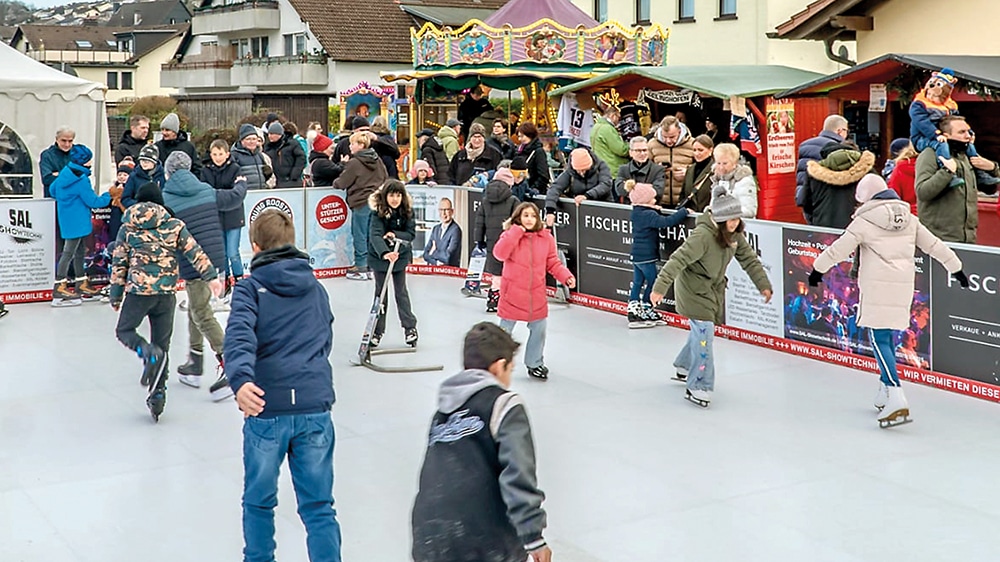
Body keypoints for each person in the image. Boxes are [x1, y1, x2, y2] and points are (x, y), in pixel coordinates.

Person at [224, 209, 342, 562]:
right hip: (313, 405)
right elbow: (325, 338)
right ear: (291, 243)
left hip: (266, 407)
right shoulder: (316, 288)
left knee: (259, 502)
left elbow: (239, 336)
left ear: (255, 247)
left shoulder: (249, 289)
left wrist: (242, 379)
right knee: (319, 507)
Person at [809, 174, 966, 427]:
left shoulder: (864, 221)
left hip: (876, 287)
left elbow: (839, 249)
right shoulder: (910, 219)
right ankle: (884, 388)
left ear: (865, 199)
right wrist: (955, 267)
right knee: (888, 339)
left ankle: (895, 393)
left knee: (878, 338)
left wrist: (817, 269)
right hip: (903, 287)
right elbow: (934, 245)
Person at [411, 322, 552, 562]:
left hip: (428, 537)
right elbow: (518, 474)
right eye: (510, 370)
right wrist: (533, 537)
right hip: (482, 540)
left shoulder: (442, 413)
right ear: (499, 367)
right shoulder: (504, 405)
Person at [650, 185, 772, 407]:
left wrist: (763, 285)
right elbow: (677, 260)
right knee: (705, 336)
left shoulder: (734, 235)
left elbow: (749, 260)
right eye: (730, 219)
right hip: (693, 290)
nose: (735, 223)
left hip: (711, 289)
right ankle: (699, 385)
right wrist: (659, 288)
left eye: (737, 218)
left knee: (700, 333)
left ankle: (684, 366)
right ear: (720, 218)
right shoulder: (703, 237)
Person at [110, 182, 223, 421]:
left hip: (139, 292)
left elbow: (119, 263)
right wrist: (211, 277)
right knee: (163, 345)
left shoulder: (128, 227)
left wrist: (116, 294)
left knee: (125, 330)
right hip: (166, 294)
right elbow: (195, 251)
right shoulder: (174, 225)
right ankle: (158, 394)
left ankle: (147, 352)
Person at [162, 151, 236, 401]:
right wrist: (243, 184)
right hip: (214, 257)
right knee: (197, 306)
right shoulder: (206, 189)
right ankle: (194, 362)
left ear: (169, 171)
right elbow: (233, 199)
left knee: (201, 313)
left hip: (192, 261)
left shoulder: (167, 197)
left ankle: (229, 361)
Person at [493, 202, 575, 380]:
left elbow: (553, 262)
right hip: (512, 293)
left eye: (533, 215)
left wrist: (565, 276)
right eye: (525, 215)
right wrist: (515, 232)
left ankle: (535, 363)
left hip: (535, 294)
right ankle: (497, 362)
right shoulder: (510, 235)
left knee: (539, 329)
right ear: (518, 217)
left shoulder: (546, 238)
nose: (529, 219)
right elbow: (499, 253)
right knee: (504, 332)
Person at [915, 115, 1000, 243]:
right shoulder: (930, 154)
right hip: (939, 239)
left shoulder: (966, 155)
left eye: (968, 131)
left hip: (968, 238)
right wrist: (947, 171)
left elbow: (990, 189)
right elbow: (922, 192)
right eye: (962, 132)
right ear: (946, 135)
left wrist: (992, 167)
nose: (967, 136)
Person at [50, 144, 111, 306]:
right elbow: (93, 201)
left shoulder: (65, 172)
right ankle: (59, 286)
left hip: (67, 220)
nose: (91, 161)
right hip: (79, 221)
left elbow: (52, 190)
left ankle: (81, 282)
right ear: (84, 161)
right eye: (89, 158)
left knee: (78, 252)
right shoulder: (81, 180)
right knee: (69, 252)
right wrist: (108, 195)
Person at [626, 181, 689, 328]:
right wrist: (683, 212)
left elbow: (652, 217)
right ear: (645, 201)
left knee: (638, 282)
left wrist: (655, 209)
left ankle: (633, 308)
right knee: (653, 281)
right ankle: (647, 307)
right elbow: (667, 222)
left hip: (637, 255)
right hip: (647, 256)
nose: (655, 200)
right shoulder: (648, 214)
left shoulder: (637, 212)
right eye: (652, 199)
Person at [367, 180, 419, 347]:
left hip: (400, 256)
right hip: (380, 258)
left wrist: (394, 234)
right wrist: (385, 253)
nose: (395, 199)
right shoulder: (377, 213)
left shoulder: (407, 212)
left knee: (401, 292)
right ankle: (376, 331)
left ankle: (410, 328)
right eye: (391, 195)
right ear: (385, 196)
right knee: (381, 295)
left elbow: (410, 234)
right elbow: (375, 235)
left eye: (398, 195)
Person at [334, 131, 388, 280]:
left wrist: (337, 180)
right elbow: (385, 177)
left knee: (359, 233)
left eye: (352, 143)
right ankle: (372, 264)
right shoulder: (377, 160)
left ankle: (361, 265)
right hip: (376, 201)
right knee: (372, 233)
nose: (350, 146)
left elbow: (342, 182)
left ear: (361, 145)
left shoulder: (355, 162)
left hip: (361, 201)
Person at [201, 139, 249, 293]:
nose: (218, 157)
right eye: (215, 154)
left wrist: (218, 195)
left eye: (220, 154)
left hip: (234, 217)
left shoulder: (236, 169)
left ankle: (240, 281)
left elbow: (238, 193)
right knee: (221, 254)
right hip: (216, 218)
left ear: (227, 154)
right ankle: (225, 280)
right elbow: (205, 192)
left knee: (233, 252)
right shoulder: (205, 171)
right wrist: (224, 195)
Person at [475, 168, 520, 312]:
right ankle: (510, 300)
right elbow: (518, 221)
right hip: (510, 242)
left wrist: (479, 240)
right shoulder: (513, 200)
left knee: (496, 274)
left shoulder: (485, 200)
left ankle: (493, 300)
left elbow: (479, 222)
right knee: (510, 271)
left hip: (492, 242)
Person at [801, 143, 875, 229]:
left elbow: (806, 202)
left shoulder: (813, 174)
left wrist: (814, 222)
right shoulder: (867, 170)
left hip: (824, 228)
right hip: (859, 228)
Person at [796, 115, 848, 222]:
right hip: (827, 202)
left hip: (806, 198)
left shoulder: (804, 145)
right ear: (840, 131)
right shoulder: (838, 149)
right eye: (846, 131)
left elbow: (801, 173)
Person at [545, 148, 612, 225]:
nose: (581, 173)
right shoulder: (570, 172)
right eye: (578, 170)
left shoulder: (601, 166)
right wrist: (550, 210)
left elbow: (606, 184)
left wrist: (587, 196)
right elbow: (555, 188)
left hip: (603, 209)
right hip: (580, 212)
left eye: (584, 170)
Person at [647, 116, 696, 208]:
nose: (668, 141)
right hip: (659, 201)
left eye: (672, 137)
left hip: (685, 201)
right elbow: (644, 169)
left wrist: (688, 173)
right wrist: (657, 170)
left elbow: (703, 169)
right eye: (665, 137)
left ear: (680, 131)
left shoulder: (692, 144)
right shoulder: (652, 144)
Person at [709, 143, 758, 218]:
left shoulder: (744, 180)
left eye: (725, 163)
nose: (721, 167)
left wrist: (725, 211)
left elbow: (750, 211)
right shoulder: (717, 180)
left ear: (734, 163)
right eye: (718, 163)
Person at [614, 136, 665, 203]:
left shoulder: (658, 169)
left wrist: (631, 187)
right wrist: (647, 188)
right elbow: (620, 190)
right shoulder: (623, 169)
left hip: (650, 209)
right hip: (627, 209)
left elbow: (658, 191)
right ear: (630, 152)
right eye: (638, 151)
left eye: (644, 150)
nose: (642, 154)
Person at [450, 123, 502, 187]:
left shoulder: (494, 154)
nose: (477, 140)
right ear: (470, 138)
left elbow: (498, 175)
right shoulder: (459, 155)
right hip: (461, 193)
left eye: (479, 136)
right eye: (474, 137)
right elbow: (451, 176)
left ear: (484, 138)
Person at [123, 145, 166, 211]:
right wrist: (139, 205)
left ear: (154, 162)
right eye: (141, 161)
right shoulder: (134, 176)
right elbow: (125, 198)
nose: (144, 164)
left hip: (158, 211)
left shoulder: (162, 176)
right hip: (138, 211)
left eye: (147, 161)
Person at [264, 121, 306, 188]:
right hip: (276, 183)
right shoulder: (268, 148)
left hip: (292, 183)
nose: (269, 136)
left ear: (279, 134)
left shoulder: (293, 144)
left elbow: (301, 159)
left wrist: (294, 176)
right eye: (269, 134)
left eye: (272, 134)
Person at [422, 197, 462, 267]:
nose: (443, 213)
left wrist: (433, 252)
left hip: (450, 273)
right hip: (435, 271)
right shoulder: (436, 229)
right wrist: (436, 262)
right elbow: (425, 254)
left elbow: (447, 256)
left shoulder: (456, 230)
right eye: (441, 210)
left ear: (452, 211)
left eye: (446, 210)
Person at [679, 135, 715, 211]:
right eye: (694, 150)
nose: (697, 153)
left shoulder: (715, 170)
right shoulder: (690, 169)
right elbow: (683, 194)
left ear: (710, 150)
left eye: (700, 150)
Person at [590, 105, 630, 173]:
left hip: (602, 168)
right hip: (613, 169)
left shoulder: (596, 127)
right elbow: (621, 150)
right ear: (613, 116)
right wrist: (631, 145)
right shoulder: (608, 129)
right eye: (618, 117)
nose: (618, 121)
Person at [515, 122, 551, 197]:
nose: (520, 139)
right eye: (519, 136)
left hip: (533, 192)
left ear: (529, 135)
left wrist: (533, 188)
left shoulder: (538, 152)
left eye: (522, 136)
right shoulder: (519, 151)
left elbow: (543, 175)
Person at [232, 124, 271, 191]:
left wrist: (268, 174)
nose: (251, 142)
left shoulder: (259, 155)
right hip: (244, 194)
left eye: (254, 139)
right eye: (248, 139)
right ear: (242, 141)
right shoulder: (234, 156)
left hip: (260, 193)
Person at [40, 126, 75, 197]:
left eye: (70, 141)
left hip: (73, 200)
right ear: (57, 139)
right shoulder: (47, 155)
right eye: (64, 141)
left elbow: (83, 176)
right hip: (53, 200)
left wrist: (58, 174)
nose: (67, 144)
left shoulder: (78, 153)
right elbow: (47, 179)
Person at [887, 142, 919, 214]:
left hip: (908, 217)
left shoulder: (900, 168)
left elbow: (892, 199)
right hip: (937, 218)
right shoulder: (942, 166)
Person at [371, 115, 401, 179]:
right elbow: (397, 154)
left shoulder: (370, 138)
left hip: (373, 167)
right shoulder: (388, 138)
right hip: (389, 167)